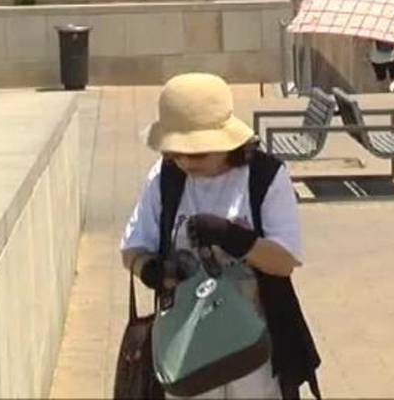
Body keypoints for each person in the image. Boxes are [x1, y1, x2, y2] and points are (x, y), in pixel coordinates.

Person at [119, 73, 319, 399]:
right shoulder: (164, 177)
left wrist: (234, 238)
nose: (185, 161)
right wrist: (151, 269)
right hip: (186, 347)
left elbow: (284, 262)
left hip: (255, 344)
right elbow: (132, 248)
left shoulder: (265, 177)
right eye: (175, 153)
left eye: (196, 153)